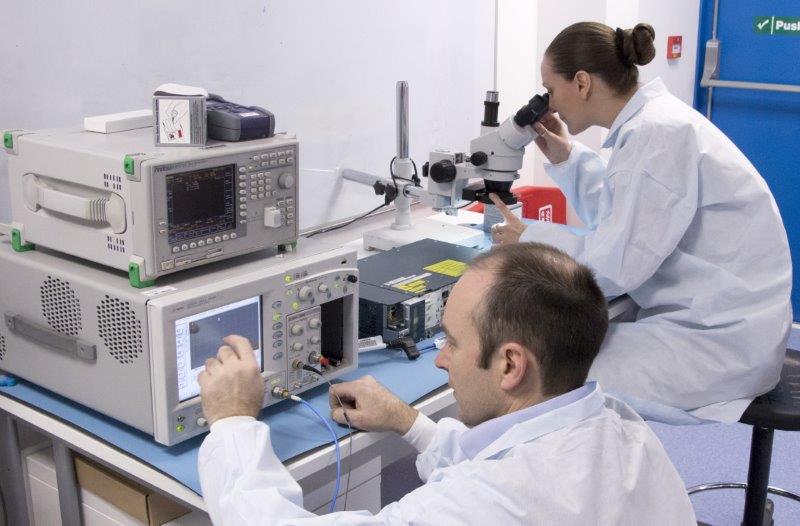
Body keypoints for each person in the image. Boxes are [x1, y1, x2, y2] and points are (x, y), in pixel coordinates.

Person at [197, 243, 696, 525]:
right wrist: (409, 422)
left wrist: (233, 422)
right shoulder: (623, 430)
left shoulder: (483, 506)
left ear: (510, 365)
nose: (439, 360)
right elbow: (505, 456)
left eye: (452, 342)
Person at [490, 22, 792, 424]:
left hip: (721, 342)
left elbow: (613, 268)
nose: (550, 104)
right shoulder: (654, 123)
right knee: (556, 349)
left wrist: (530, 238)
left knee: (548, 371)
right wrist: (567, 158)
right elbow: (624, 217)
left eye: (550, 89)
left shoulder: (658, 134)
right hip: (713, 319)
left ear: (581, 83)